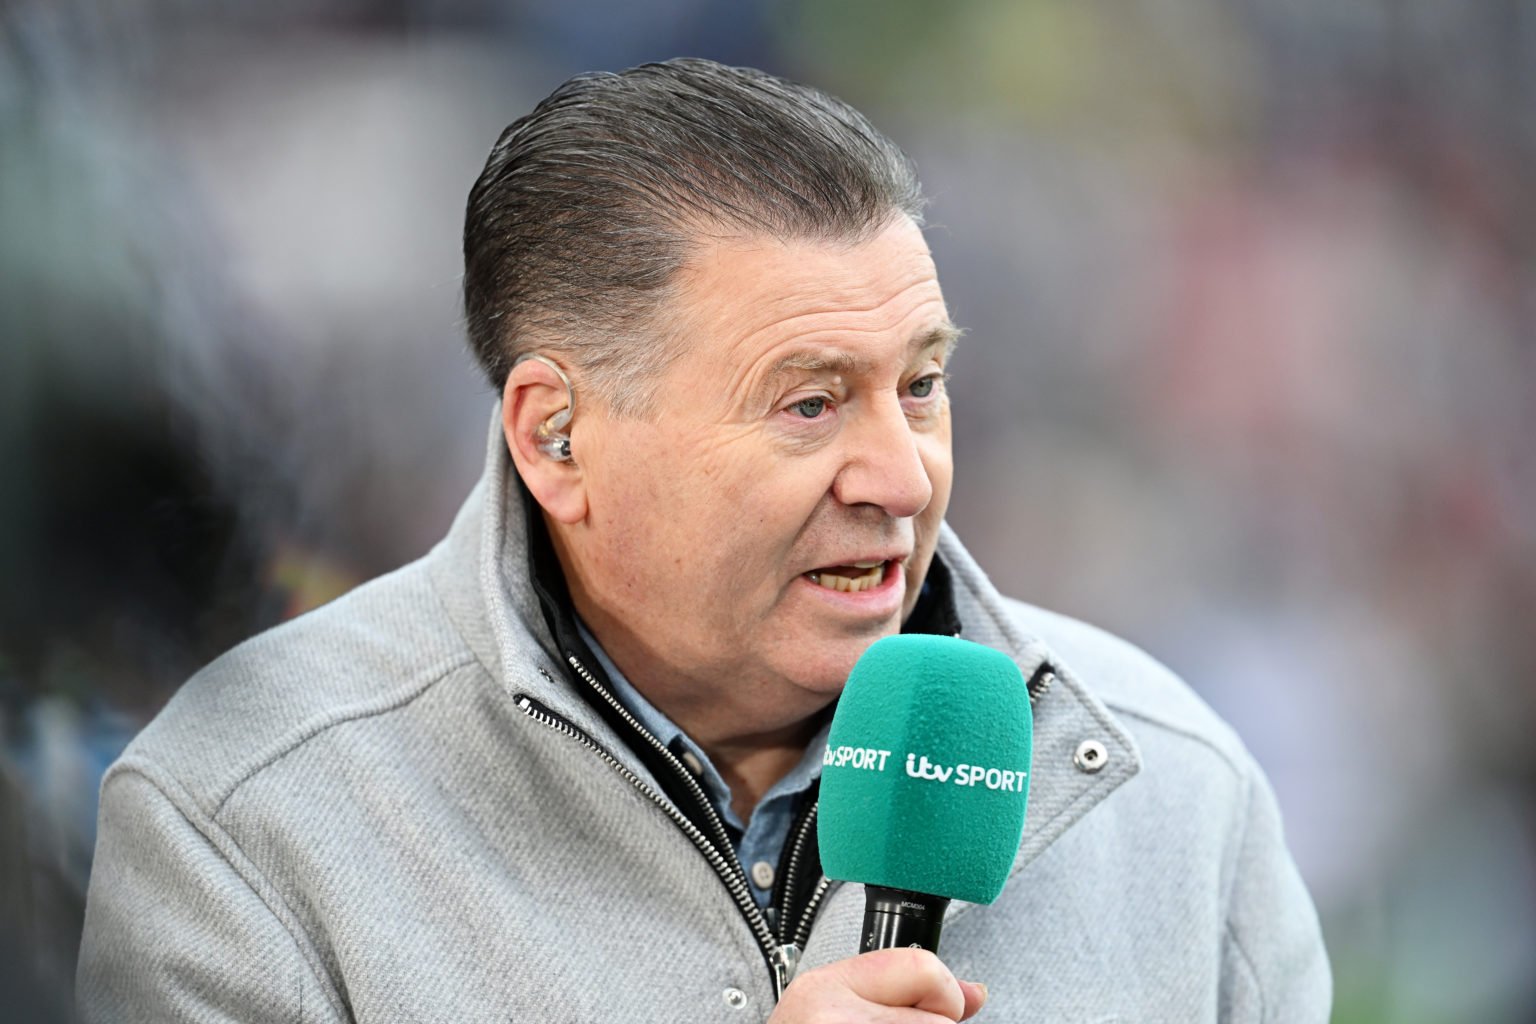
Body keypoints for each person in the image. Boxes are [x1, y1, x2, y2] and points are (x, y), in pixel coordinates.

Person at [77, 58, 1330, 1022]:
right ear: (557, 434)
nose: (901, 475)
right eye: (810, 400)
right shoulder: (242, 822)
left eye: (924, 383)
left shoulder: (1178, 788)